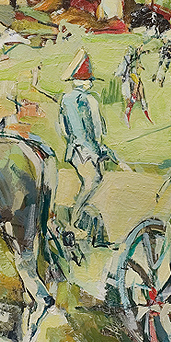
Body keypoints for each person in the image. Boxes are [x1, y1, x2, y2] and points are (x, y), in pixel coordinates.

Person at [59, 49, 121, 235]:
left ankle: (79, 214)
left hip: (73, 149)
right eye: (89, 80)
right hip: (88, 150)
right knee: (91, 182)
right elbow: (97, 129)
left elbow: (64, 128)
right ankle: (73, 222)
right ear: (86, 81)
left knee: (91, 182)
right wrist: (101, 149)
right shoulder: (90, 100)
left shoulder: (65, 99)